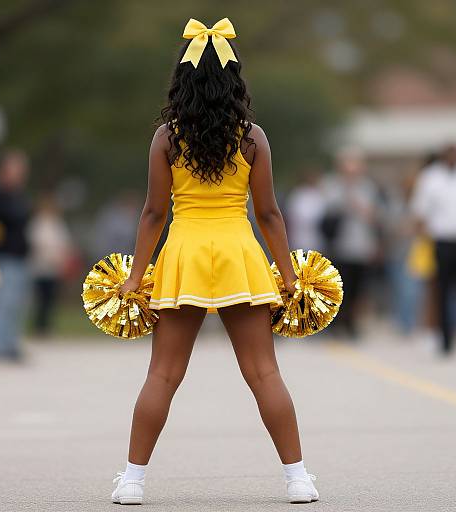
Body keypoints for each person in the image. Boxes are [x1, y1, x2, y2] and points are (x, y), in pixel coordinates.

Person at [110, 18, 319, 505]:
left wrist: (135, 278)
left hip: (183, 252)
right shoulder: (253, 137)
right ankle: (298, 478)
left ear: (182, 81)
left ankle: (132, 482)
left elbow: (154, 213)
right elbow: (267, 212)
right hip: (238, 254)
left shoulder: (167, 137)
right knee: (264, 372)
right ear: (235, 82)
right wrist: (290, 276)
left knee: (162, 374)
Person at [320, 146, 382, 338]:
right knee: (338, 287)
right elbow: (327, 212)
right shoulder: (331, 185)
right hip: (339, 245)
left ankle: (351, 322)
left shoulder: (368, 188)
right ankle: (336, 323)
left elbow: (374, 216)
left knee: (357, 288)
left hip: (361, 246)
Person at [411, 144, 456, 354]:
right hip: (442, 241)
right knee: (441, 291)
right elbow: (420, 211)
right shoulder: (431, 178)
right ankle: (444, 338)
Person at [0, 150, 31, 361]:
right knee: (2, 303)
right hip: (3, 257)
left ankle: (10, 343)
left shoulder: (18, 195)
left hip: (19, 256)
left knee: (16, 303)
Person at [27, 192, 73, 336]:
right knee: (41, 298)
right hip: (40, 267)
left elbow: (65, 243)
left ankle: (47, 325)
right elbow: (36, 243)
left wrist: (63, 258)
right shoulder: (37, 223)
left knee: (50, 299)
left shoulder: (57, 224)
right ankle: (38, 326)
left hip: (54, 268)